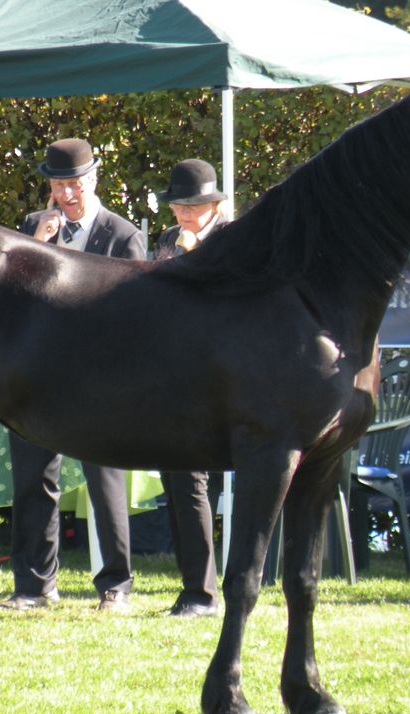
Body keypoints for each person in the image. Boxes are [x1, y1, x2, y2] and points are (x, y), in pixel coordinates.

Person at [0, 137, 147, 613]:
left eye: (75, 183)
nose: (67, 193)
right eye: (59, 184)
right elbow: (7, 300)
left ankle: (116, 587)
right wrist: (35, 244)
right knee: (34, 480)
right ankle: (34, 587)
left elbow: (134, 316)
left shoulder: (122, 234)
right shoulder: (28, 228)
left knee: (106, 482)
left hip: (98, 379)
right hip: (38, 376)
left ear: (94, 179)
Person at [150, 158, 227, 616]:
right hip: (171, 371)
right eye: (178, 206)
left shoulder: (233, 238)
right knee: (176, 478)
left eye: (193, 206)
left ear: (215, 204)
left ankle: (202, 593)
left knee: (191, 477)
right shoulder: (166, 240)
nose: (184, 214)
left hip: (216, 374)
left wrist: (197, 253)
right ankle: (190, 587)